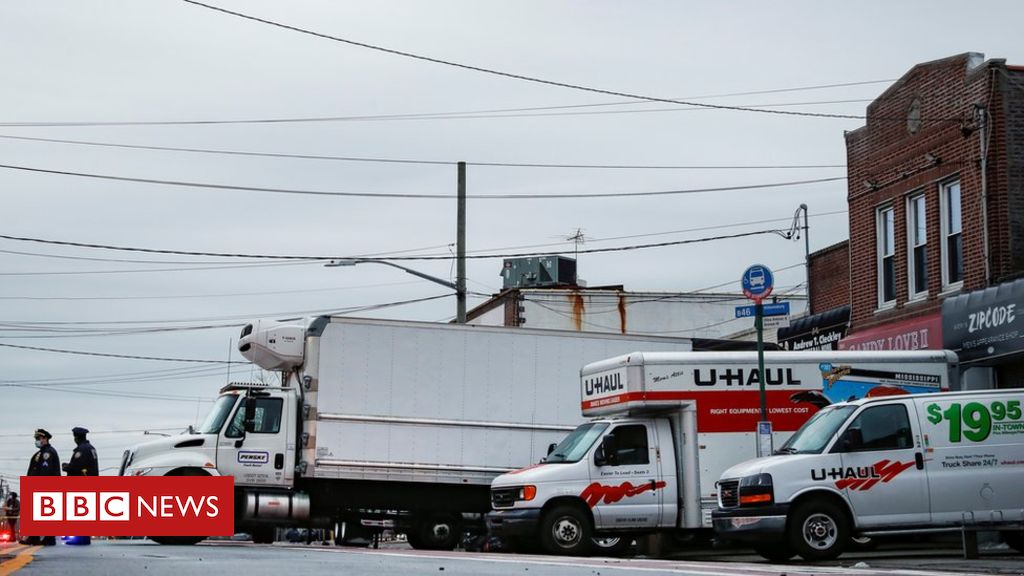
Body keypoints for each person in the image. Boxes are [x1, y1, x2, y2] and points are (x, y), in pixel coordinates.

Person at [63, 426, 99, 546]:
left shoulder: (81, 450)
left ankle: (80, 538)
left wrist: (66, 467)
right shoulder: (91, 448)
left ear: (77, 437)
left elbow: (76, 467)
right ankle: (83, 537)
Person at [25, 429, 60, 546]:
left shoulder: (48, 453)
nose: (37, 441)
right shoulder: (39, 453)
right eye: (36, 439)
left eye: (39, 439)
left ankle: (49, 538)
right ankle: (34, 537)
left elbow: (45, 472)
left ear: (45, 439)